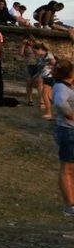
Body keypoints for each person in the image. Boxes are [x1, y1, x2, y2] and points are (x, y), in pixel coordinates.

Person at [51, 60, 74, 217]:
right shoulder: (61, 87)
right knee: (67, 168)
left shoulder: (67, 85)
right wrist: (70, 115)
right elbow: (60, 102)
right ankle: (69, 206)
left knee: (71, 168)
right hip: (68, 131)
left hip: (70, 130)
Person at [34, 43, 56, 120]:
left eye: (35, 51)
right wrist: (37, 75)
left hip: (49, 77)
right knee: (48, 96)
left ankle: (48, 113)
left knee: (45, 95)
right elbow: (41, 68)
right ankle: (54, 112)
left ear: (40, 49)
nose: (34, 53)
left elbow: (55, 64)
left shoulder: (48, 55)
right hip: (46, 77)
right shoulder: (41, 56)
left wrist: (51, 70)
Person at [20, 35, 40, 106]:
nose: (30, 42)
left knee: (38, 82)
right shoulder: (25, 46)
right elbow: (21, 54)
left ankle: (42, 100)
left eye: (31, 40)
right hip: (28, 65)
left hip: (37, 65)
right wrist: (23, 44)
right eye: (28, 40)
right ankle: (30, 100)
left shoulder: (37, 45)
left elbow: (42, 52)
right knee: (29, 83)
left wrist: (36, 44)